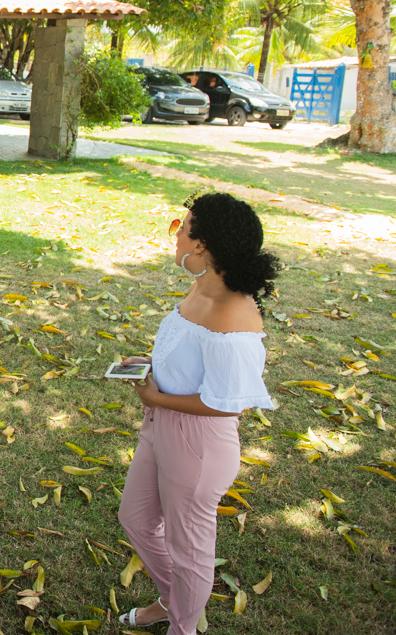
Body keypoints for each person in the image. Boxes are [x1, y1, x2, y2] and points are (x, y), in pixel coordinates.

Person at [116, 193, 279, 634]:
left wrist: (157, 399)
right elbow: (186, 356)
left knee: (188, 550)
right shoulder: (202, 285)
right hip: (160, 427)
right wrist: (154, 370)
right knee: (135, 518)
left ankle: (183, 626)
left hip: (198, 445)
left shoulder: (235, 317)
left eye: (180, 227)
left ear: (201, 244)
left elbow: (229, 402)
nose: (175, 234)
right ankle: (174, 601)